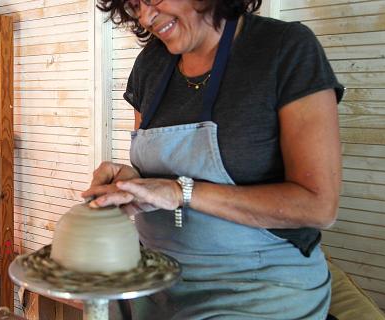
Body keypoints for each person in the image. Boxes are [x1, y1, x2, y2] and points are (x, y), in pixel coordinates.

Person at [82, 0, 344, 319]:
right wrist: (132, 182)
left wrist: (183, 192)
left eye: (153, 0)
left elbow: (319, 206)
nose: (146, 17)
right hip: (155, 277)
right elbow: (159, 174)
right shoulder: (150, 65)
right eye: (135, 5)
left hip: (257, 285)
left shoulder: (285, 49)